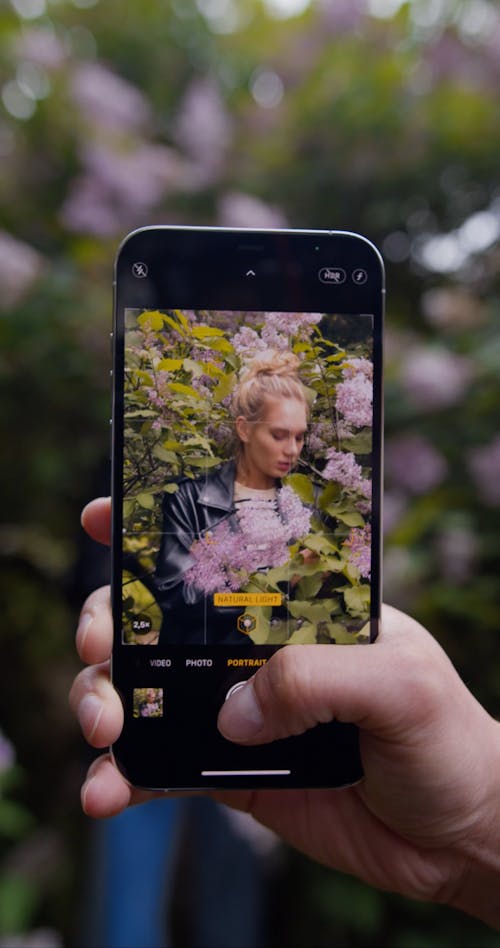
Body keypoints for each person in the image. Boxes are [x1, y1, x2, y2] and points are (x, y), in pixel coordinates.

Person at [71, 497, 500, 931]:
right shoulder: (166, 493)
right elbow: (96, 572)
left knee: (228, 884)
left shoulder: (282, 513)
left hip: (256, 715)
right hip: (167, 700)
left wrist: (481, 823)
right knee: (137, 884)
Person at [152, 350, 312, 645]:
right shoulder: (190, 499)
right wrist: (279, 580)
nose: (292, 450)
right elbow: (175, 595)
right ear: (244, 429)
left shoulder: (303, 509)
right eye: (279, 435)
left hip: (277, 673)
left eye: (299, 437)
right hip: (200, 667)